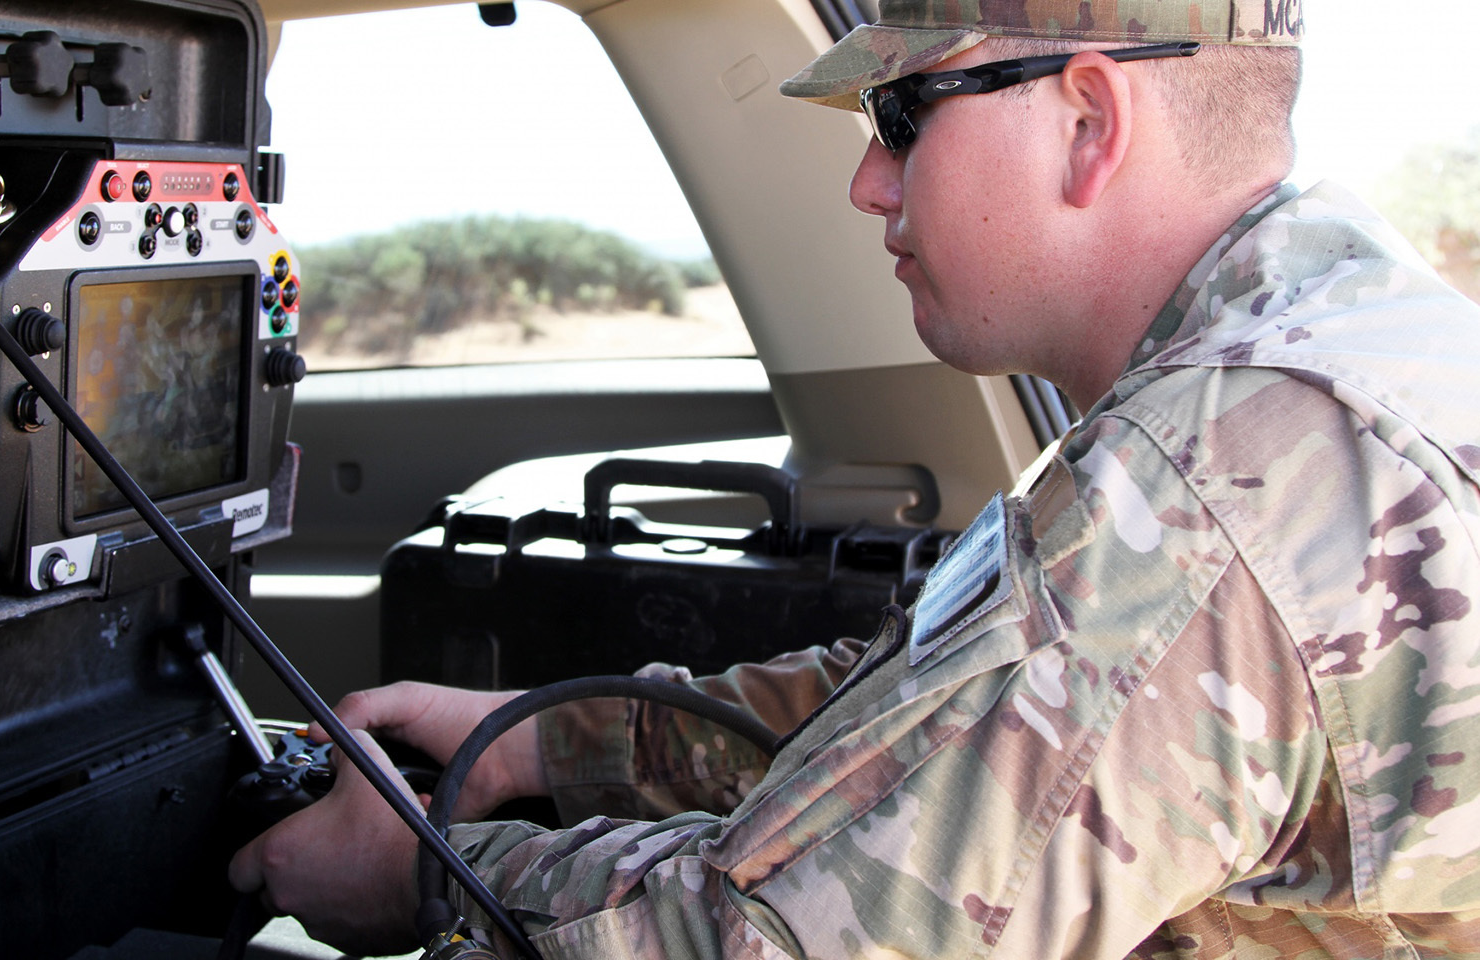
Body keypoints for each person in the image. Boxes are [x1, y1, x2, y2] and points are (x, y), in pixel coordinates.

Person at [231, 1, 1480, 956]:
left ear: (1089, 125)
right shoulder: (1334, 345)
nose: (867, 182)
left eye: (902, 116)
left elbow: (774, 944)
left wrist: (425, 876)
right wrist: (543, 746)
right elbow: (953, 718)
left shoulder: (1214, 486)